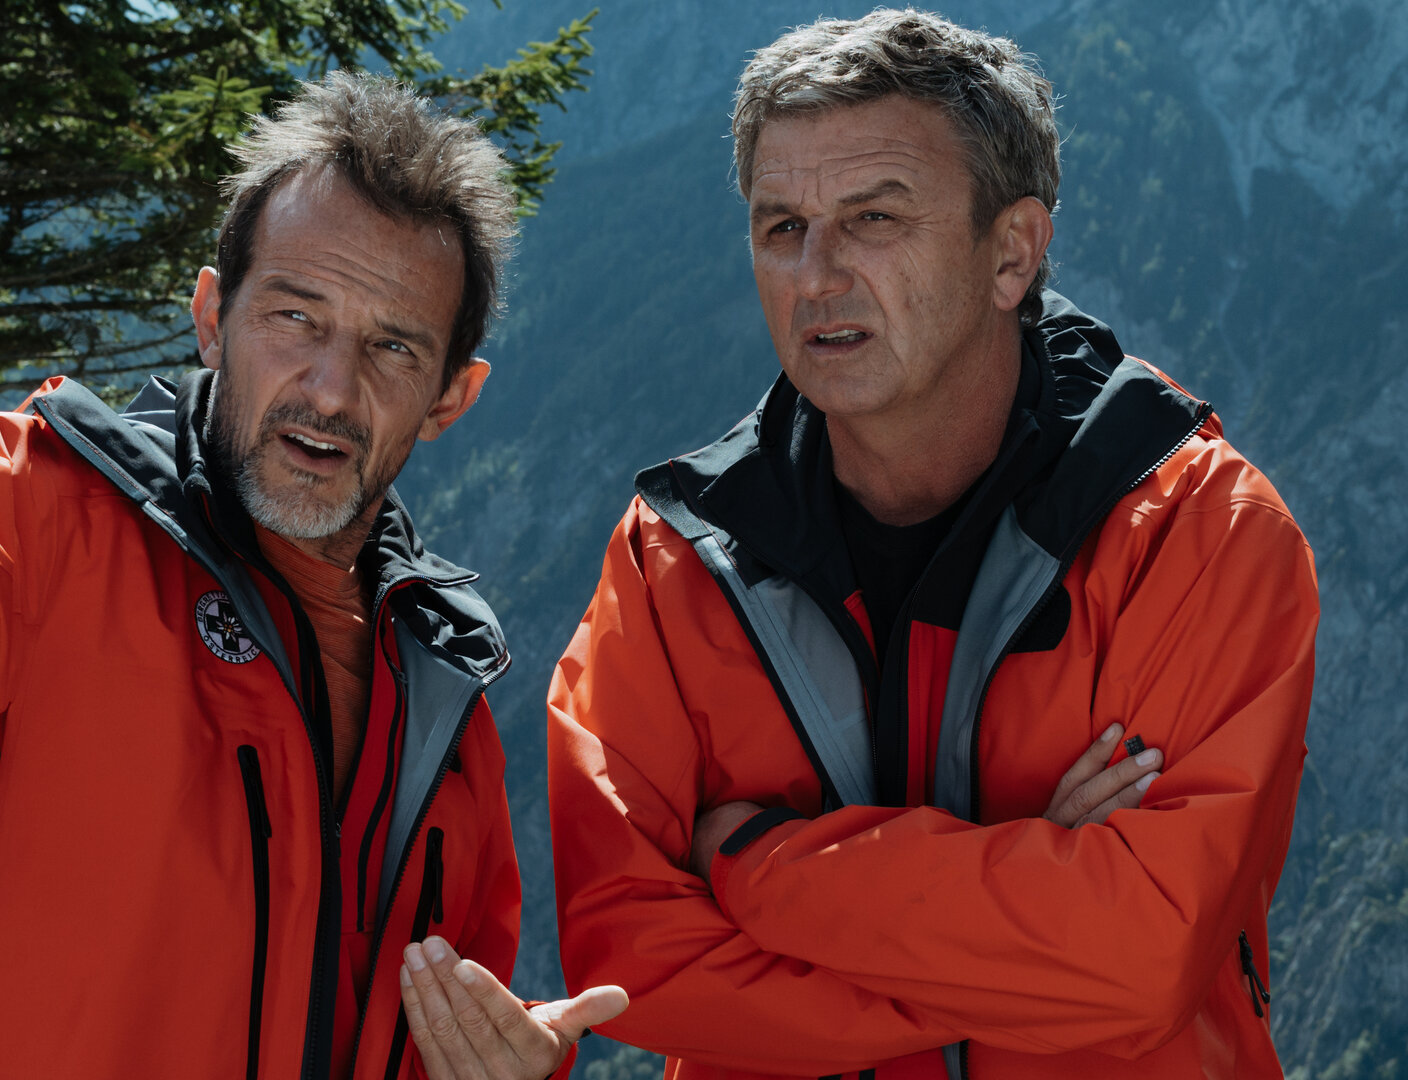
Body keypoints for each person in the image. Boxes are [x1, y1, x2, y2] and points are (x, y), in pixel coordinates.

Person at [0, 71, 622, 1080]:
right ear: (211, 317)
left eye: (393, 348)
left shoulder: (442, 682)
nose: (332, 389)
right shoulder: (40, 514)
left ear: (450, 397)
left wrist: (508, 1068)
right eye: (294, 316)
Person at [546, 10, 1315, 1078]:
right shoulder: (673, 562)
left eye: (873, 218)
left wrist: (758, 868)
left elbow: (1145, 957)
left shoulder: (1198, 535)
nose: (815, 276)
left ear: (1013, 254)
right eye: (782, 227)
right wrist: (1030, 920)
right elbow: (631, 954)